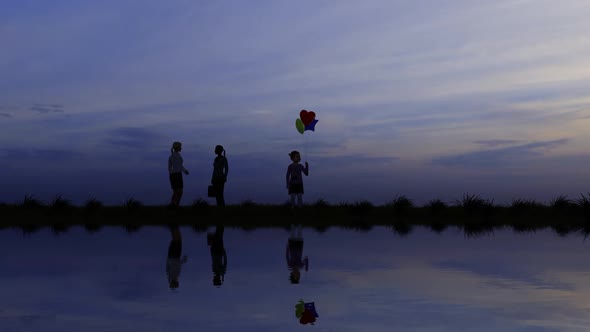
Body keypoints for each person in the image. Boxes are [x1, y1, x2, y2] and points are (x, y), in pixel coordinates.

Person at [168, 141, 189, 207]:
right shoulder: (174, 156)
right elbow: (174, 167)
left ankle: (174, 204)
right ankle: (175, 204)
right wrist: (173, 172)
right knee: (178, 191)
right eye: (180, 147)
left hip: (175, 175)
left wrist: (185, 171)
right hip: (176, 175)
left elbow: (178, 166)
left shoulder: (174, 156)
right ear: (177, 147)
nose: (181, 148)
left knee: (177, 191)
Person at [166, 224, 188, 289]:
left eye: (177, 283)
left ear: (175, 282)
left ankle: (174, 227)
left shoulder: (173, 275)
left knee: (177, 240)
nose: (178, 281)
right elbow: (173, 266)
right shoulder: (171, 276)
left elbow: (176, 265)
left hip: (174, 256)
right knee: (176, 240)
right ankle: (173, 227)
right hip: (172, 256)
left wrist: (183, 260)